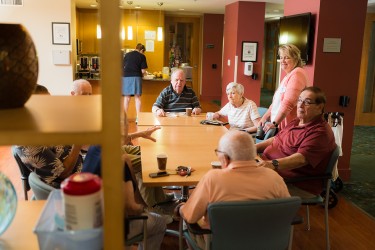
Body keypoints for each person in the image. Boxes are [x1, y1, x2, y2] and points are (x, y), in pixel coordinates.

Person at [176, 130, 290, 248]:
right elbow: (287, 215)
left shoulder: (212, 179)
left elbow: (191, 216)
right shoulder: (275, 178)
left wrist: (180, 208)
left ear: (225, 158)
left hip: (220, 245)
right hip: (267, 244)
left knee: (187, 223)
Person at [82, 147, 167, 249]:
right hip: (110, 231)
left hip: (86, 228)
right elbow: (132, 209)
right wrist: (143, 209)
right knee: (159, 222)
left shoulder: (93, 149)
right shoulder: (117, 162)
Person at [256, 86, 336, 195]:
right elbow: (276, 139)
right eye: (299, 100)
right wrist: (253, 148)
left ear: (319, 107)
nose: (300, 105)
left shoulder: (320, 133)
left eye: (307, 102)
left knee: (240, 186)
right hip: (268, 167)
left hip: (291, 182)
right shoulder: (297, 121)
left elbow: (301, 159)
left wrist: (271, 164)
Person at [259, 44, 310, 133]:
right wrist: (265, 117)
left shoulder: (297, 74)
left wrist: (274, 123)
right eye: (281, 57)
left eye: (286, 57)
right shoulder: (289, 75)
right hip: (277, 124)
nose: (282, 60)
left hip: (287, 127)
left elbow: (288, 103)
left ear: (295, 58)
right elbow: (276, 103)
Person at [122, 43, 148, 117]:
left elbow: (123, 66)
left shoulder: (127, 55)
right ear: (142, 50)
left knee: (127, 98)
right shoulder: (142, 56)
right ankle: (138, 118)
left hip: (126, 77)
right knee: (137, 97)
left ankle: (124, 117)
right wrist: (144, 74)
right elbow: (143, 71)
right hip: (136, 77)